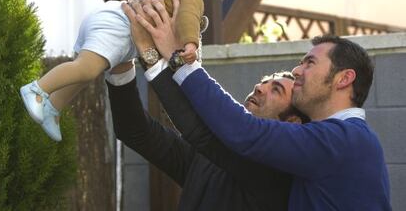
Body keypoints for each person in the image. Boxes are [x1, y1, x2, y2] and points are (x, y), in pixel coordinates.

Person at [128, 0, 392, 210]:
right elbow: (205, 135)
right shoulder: (332, 141)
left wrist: (181, 59)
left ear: (344, 79)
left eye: (310, 63)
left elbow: (244, 131)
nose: (298, 71)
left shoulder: (347, 140)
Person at [19, 0, 221, 141]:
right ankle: (37, 89)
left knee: (88, 73)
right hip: (119, 26)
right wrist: (190, 44)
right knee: (86, 69)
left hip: (116, 22)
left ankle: (53, 106)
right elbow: (187, 17)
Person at [106, 64, 309, 211]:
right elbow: (135, 131)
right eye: (266, 81)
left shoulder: (277, 174)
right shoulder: (206, 158)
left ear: (292, 123)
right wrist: (121, 68)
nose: (260, 87)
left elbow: (199, 130)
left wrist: (153, 59)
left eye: (276, 90)